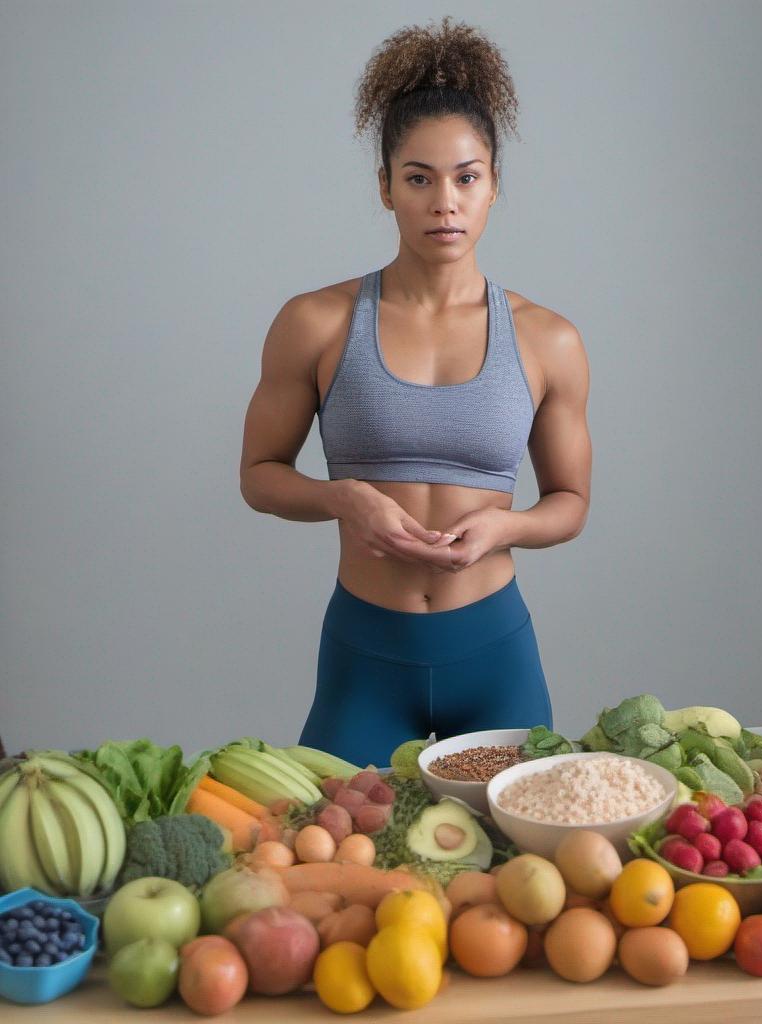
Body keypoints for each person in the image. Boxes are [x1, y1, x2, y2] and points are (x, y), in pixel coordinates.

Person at [239, 17, 591, 768]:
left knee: (523, 878)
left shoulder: (547, 338)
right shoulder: (317, 323)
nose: (445, 202)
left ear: (495, 185)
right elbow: (258, 476)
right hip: (366, 655)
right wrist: (343, 498)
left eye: (466, 177)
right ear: (386, 187)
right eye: (418, 177)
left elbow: (571, 503)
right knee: (325, 864)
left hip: (494, 655)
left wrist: (505, 528)